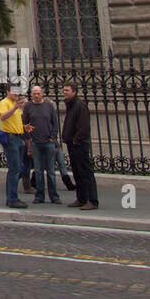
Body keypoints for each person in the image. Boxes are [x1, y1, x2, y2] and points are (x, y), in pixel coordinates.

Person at [61, 82, 99, 210]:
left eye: (67, 90)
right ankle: (81, 198)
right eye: (64, 90)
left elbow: (84, 127)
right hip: (73, 144)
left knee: (85, 172)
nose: (64, 92)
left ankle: (92, 200)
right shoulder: (71, 106)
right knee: (77, 173)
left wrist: (76, 140)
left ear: (74, 92)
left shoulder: (80, 106)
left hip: (79, 144)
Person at [21, 84, 61, 204]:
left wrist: (53, 138)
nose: (36, 96)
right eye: (34, 94)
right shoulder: (28, 106)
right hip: (35, 143)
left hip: (48, 142)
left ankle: (54, 196)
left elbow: (55, 123)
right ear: (32, 95)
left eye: (38, 93)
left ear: (42, 94)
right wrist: (29, 137)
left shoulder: (48, 106)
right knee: (38, 171)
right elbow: (24, 124)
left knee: (51, 171)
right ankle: (39, 196)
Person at [0, 82, 27, 209]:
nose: (16, 94)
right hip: (11, 137)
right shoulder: (4, 103)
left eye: (17, 91)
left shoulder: (16, 106)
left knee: (19, 167)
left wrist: (24, 126)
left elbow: (16, 121)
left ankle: (12, 196)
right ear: (7, 92)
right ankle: (12, 198)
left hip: (18, 137)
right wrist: (15, 108)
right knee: (15, 168)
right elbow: (2, 117)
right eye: (14, 91)